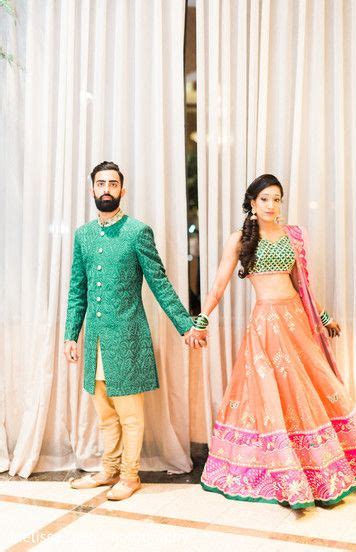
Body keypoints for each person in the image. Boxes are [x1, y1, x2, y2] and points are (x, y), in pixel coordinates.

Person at [189, 174, 356, 509]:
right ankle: (286, 476)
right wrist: (202, 318)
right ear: (252, 203)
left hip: (296, 322)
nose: (271, 205)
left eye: (277, 199)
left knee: (314, 390)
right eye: (264, 199)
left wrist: (324, 318)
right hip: (266, 327)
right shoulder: (240, 239)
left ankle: (322, 473)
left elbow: (303, 286)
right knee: (273, 398)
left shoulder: (292, 236)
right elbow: (218, 285)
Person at [64, 161, 207, 501]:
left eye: (113, 184)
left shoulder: (137, 232)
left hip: (128, 338)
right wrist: (71, 334)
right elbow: (77, 289)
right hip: (95, 339)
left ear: (122, 191)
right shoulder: (83, 235)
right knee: (105, 414)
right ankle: (108, 470)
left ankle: (130, 476)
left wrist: (185, 325)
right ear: (92, 189)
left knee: (130, 415)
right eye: (101, 183)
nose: (106, 189)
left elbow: (159, 284)